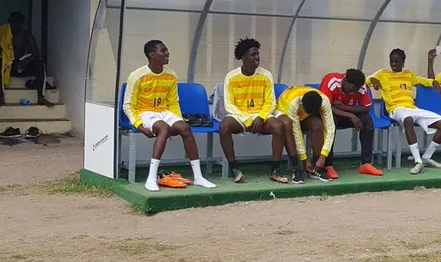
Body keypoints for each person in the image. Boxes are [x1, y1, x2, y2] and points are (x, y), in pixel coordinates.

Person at [123, 40, 216, 191]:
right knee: (164, 129)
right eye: (163, 51)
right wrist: (139, 125)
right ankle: (151, 178)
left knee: (185, 128)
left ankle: (198, 177)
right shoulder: (137, 76)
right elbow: (128, 105)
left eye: (167, 50)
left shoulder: (171, 74)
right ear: (152, 55)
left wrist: (177, 120)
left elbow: (173, 102)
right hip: (145, 112)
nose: (167, 53)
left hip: (164, 112)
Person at [368, 48, 441, 175]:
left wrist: (434, 82)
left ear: (403, 63)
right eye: (391, 61)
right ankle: (418, 161)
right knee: (408, 120)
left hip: (412, 108)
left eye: (397, 61)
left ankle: (426, 157)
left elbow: (421, 80)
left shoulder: (408, 74)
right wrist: (374, 81)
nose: (393, 64)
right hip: (396, 109)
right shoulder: (383, 74)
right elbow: (367, 80)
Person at [218, 38, 288, 184]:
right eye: (253, 55)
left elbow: (270, 102)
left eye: (257, 54)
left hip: (260, 115)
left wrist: (260, 117)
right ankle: (234, 169)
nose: (257, 58)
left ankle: (275, 170)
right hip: (240, 115)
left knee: (278, 126)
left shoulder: (266, 75)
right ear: (243, 58)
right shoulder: (231, 77)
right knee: (224, 126)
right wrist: (249, 119)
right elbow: (229, 105)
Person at [319, 69, 384, 177]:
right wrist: (351, 116)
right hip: (330, 113)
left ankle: (365, 164)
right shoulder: (331, 81)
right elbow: (325, 107)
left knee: (367, 121)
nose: (354, 93)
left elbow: (366, 108)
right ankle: (328, 165)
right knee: (331, 122)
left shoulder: (360, 86)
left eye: (356, 90)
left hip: (347, 112)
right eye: (352, 89)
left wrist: (345, 108)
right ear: (345, 82)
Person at [276, 85, 336, 182]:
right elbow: (296, 132)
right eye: (307, 110)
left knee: (317, 125)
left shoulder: (324, 101)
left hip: (302, 116)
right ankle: (297, 168)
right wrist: (305, 159)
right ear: (302, 104)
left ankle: (317, 167)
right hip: (284, 111)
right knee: (289, 127)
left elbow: (330, 129)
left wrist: (323, 156)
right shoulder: (293, 103)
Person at [0, 11, 54, 107]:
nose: (12, 25)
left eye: (15, 22)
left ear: (20, 24)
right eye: (10, 22)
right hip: (6, 67)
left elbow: (36, 53)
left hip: (20, 66)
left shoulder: (25, 35)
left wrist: (25, 61)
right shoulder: (3, 33)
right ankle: (1, 97)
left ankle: (41, 96)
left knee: (39, 64)